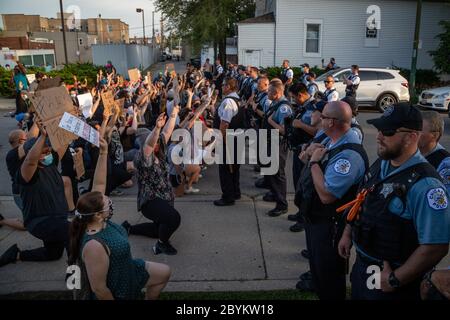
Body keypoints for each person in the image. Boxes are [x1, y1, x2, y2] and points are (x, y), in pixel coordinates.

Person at [338, 103, 450, 300]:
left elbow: (436, 246)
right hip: (365, 267)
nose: (379, 136)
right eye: (379, 129)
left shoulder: (427, 186)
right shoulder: (382, 163)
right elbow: (363, 197)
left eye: (388, 131)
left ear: (412, 136)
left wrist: (395, 279)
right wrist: (348, 233)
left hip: (395, 280)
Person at [68, 136, 171, 300]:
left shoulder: (99, 220)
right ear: (97, 214)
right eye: (107, 203)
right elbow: (100, 289)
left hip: (128, 269)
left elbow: (100, 183)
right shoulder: (94, 246)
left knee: (164, 272)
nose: (110, 202)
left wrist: (103, 152)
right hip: (117, 286)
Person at [296, 101, 368, 299]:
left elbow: (327, 195)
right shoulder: (331, 141)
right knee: (319, 272)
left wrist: (314, 163)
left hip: (330, 226)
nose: (319, 118)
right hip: (316, 219)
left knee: (329, 280)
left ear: (332, 123)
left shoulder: (349, 155)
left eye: (324, 116)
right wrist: (309, 157)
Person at [0, 125, 70, 267]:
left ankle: (17, 255)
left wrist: (67, 121)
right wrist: (43, 136)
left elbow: (64, 142)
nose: (47, 152)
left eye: (48, 150)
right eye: (43, 150)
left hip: (56, 217)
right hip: (41, 221)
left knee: (54, 254)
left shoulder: (51, 162)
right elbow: (31, 160)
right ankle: (75, 277)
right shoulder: (26, 173)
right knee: (72, 232)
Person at [123, 108, 181, 255]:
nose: (157, 143)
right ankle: (161, 245)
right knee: (173, 218)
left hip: (164, 198)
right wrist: (156, 128)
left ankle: (129, 228)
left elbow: (167, 132)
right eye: (154, 141)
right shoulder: (143, 158)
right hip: (150, 200)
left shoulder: (159, 151)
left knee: (159, 229)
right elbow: (150, 144)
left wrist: (173, 113)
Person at [286, 83, 320, 232]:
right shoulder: (304, 107)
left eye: (294, 97)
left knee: (304, 187)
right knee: (297, 184)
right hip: (298, 150)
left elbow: (317, 132)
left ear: (301, 95)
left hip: (306, 153)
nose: (292, 100)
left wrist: (299, 124)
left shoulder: (314, 108)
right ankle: (300, 212)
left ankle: (303, 219)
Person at [213, 77, 245, 206]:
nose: (221, 87)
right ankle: (235, 192)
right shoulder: (238, 99)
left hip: (228, 138)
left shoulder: (228, 102)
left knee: (226, 169)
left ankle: (227, 197)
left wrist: (221, 140)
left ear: (228, 87)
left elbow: (224, 124)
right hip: (237, 137)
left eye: (223, 85)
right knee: (234, 168)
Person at [265, 79, 293, 216]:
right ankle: (274, 194)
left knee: (278, 173)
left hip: (279, 143)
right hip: (271, 141)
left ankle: (282, 204)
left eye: (269, 90)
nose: (267, 92)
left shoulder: (284, 108)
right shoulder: (276, 103)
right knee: (271, 171)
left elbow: (284, 130)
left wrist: (270, 121)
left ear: (276, 93)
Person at [419, 111, 450, 193]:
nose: (414, 134)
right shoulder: (411, 154)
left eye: (419, 130)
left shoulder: (445, 164)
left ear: (434, 136)